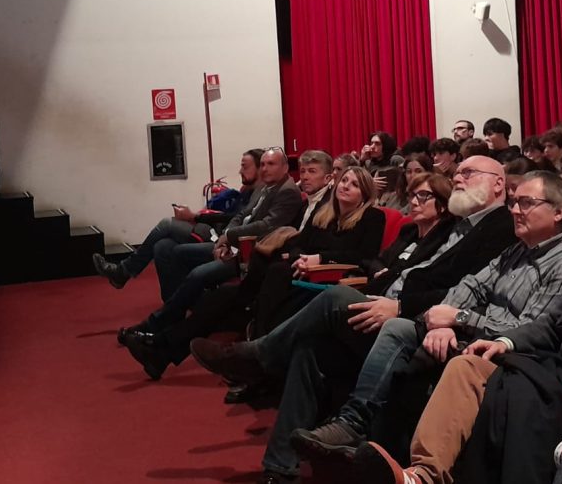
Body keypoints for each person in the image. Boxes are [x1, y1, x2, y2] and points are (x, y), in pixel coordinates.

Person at [189, 158, 518, 484]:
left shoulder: (500, 226)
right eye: (458, 172)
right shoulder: (457, 226)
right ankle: (279, 467)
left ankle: (260, 356)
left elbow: (464, 290)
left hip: (417, 320)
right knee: (309, 347)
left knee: (334, 298)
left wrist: (399, 306)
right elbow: (404, 269)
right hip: (388, 301)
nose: (458, 177)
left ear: (498, 183)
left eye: (468, 173)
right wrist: (380, 288)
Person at [350, 186, 562, 484]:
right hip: (552, 369)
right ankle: (423, 474)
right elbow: (552, 322)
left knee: (502, 386)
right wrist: (505, 341)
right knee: (467, 364)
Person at [282, 171, 562, 464]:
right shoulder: (517, 250)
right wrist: (443, 321)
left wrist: (459, 318)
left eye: (526, 203)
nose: (515, 210)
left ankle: (373, 441)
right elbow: (470, 285)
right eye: (514, 202)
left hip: (503, 353)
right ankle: (353, 423)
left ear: (558, 212)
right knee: (386, 331)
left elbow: (526, 330)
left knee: (343, 308)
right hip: (462, 330)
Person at [118, 151, 338, 378]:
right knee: (210, 293)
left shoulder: (323, 205)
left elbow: (307, 241)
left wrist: (291, 255)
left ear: (328, 177)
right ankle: (161, 349)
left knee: (206, 285)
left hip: (289, 275)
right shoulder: (304, 202)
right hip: (265, 267)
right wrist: (230, 241)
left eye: (312, 172)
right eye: (303, 171)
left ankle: (162, 344)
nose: (305, 176)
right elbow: (245, 217)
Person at [117, 148, 303, 336]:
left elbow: (266, 226)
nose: (265, 169)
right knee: (170, 250)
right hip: (233, 244)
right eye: (262, 164)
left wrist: (228, 237)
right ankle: (177, 313)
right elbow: (241, 215)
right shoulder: (266, 187)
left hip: (251, 254)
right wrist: (226, 238)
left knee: (195, 271)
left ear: (285, 167)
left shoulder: (287, 192)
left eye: (271, 164)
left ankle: (162, 319)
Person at [91, 149, 263, 289]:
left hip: (220, 237)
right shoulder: (247, 191)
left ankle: (123, 272)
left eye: (245, 167)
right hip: (215, 230)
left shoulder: (261, 193)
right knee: (162, 246)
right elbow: (230, 216)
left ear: (259, 169)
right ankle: (171, 305)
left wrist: (195, 216)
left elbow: (232, 218)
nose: (240, 171)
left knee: (166, 224)